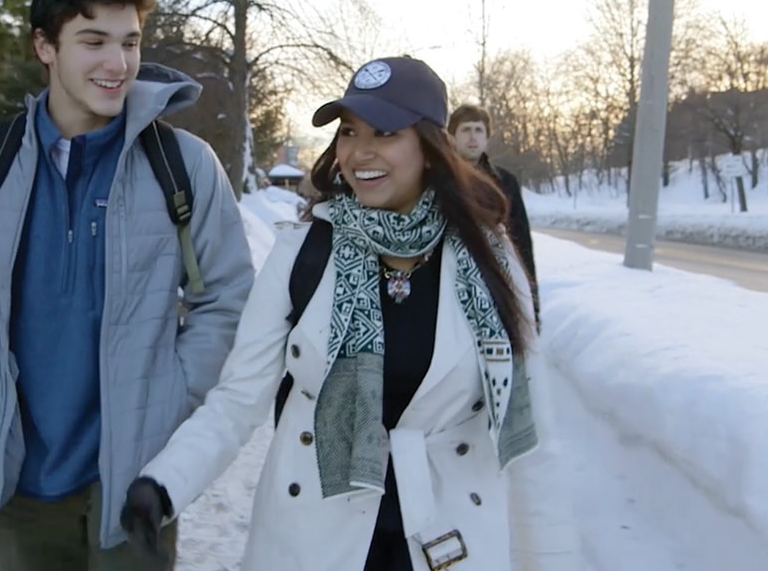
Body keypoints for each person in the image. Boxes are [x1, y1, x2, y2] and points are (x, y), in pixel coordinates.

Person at [120, 56, 576, 570]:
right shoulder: (303, 252)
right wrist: (164, 484)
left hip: (446, 536)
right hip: (314, 536)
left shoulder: (489, 260)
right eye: (349, 131)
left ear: (429, 146)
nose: (360, 152)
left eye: (384, 132)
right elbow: (239, 396)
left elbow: (533, 437)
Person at [0, 0, 255, 568]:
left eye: (129, 42)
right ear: (45, 46)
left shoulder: (183, 165)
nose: (117, 63)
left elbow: (226, 296)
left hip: (133, 480)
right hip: (20, 481)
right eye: (93, 41)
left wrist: (175, 397)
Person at [447, 104, 539, 321]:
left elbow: (521, 241)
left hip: (496, 279)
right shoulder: (440, 179)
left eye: (478, 130)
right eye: (466, 130)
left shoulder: (505, 182)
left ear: (487, 137)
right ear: (452, 136)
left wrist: (532, 306)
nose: (472, 137)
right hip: (450, 279)